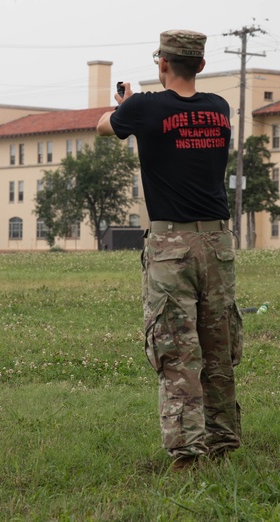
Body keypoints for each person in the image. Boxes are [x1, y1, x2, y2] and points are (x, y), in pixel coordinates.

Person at [97, 30, 242, 472]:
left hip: (170, 244)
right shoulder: (219, 108)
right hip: (218, 241)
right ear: (200, 65)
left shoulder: (144, 108)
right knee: (217, 344)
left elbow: (105, 128)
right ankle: (223, 441)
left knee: (177, 349)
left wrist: (127, 104)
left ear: (162, 64)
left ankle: (187, 453)